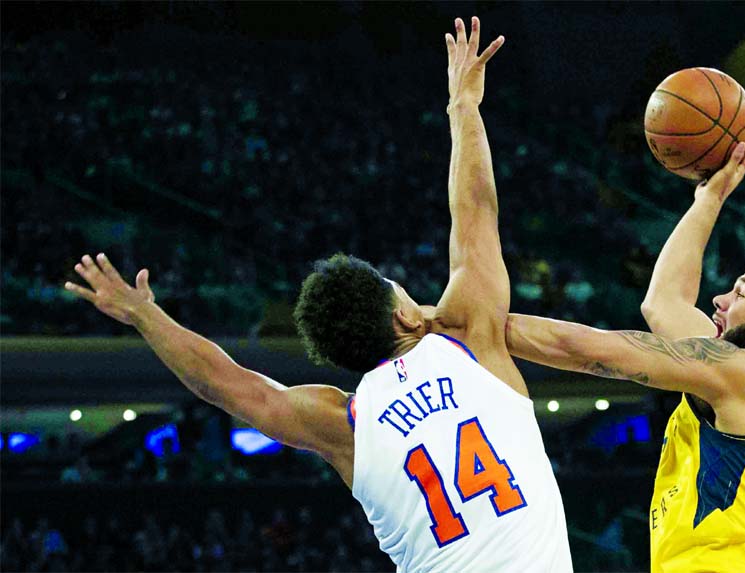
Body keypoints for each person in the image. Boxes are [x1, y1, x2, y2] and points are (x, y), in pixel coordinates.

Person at [65, 17, 573, 573]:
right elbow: (475, 212)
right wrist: (462, 109)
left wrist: (145, 315)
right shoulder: (469, 341)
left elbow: (227, 385)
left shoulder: (346, 423)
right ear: (404, 313)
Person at [505, 136, 745, 573]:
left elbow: (591, 351)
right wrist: (710, 199)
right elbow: (665, 303)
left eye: (741, 293)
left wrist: (466, 323)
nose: (719, 299)